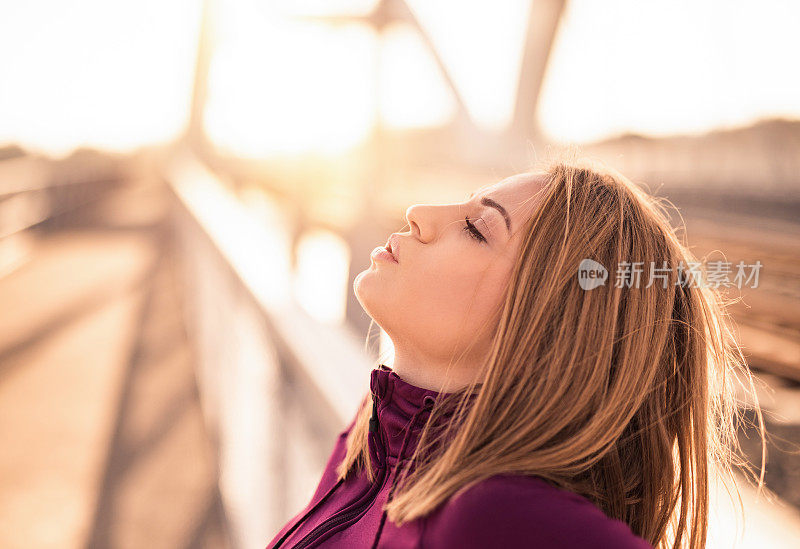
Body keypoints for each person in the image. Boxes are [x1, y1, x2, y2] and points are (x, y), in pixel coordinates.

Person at [266, 156, 765, 548]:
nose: (419, 214)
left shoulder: (499, 517)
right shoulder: (372, 442)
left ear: (545, 329)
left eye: (477, 229)